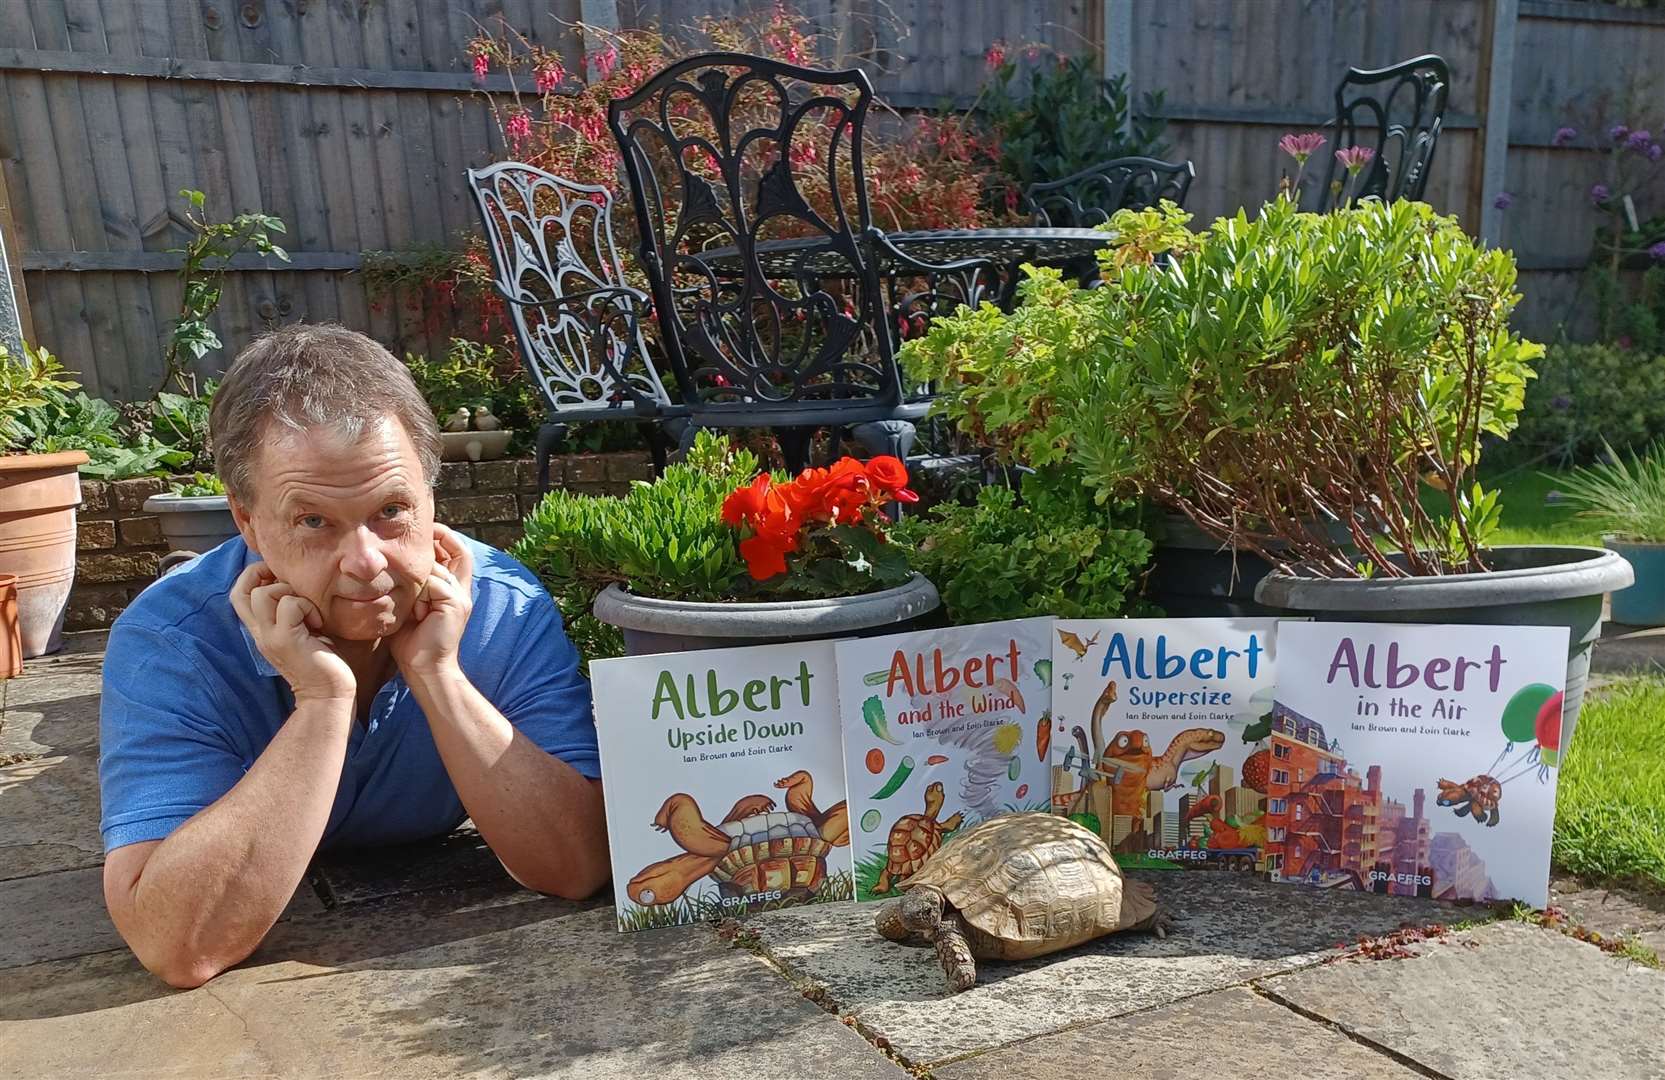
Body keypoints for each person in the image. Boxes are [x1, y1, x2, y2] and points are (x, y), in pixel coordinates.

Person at [98, 325, 608, 988]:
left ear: (433, 500)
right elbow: (177, 944)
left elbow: (578, 865)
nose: (366, 563)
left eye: (392, 511)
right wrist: (323, 701)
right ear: (248, 522)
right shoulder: (170, 643)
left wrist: (437, 673)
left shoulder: (504, 608)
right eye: (313, 521)